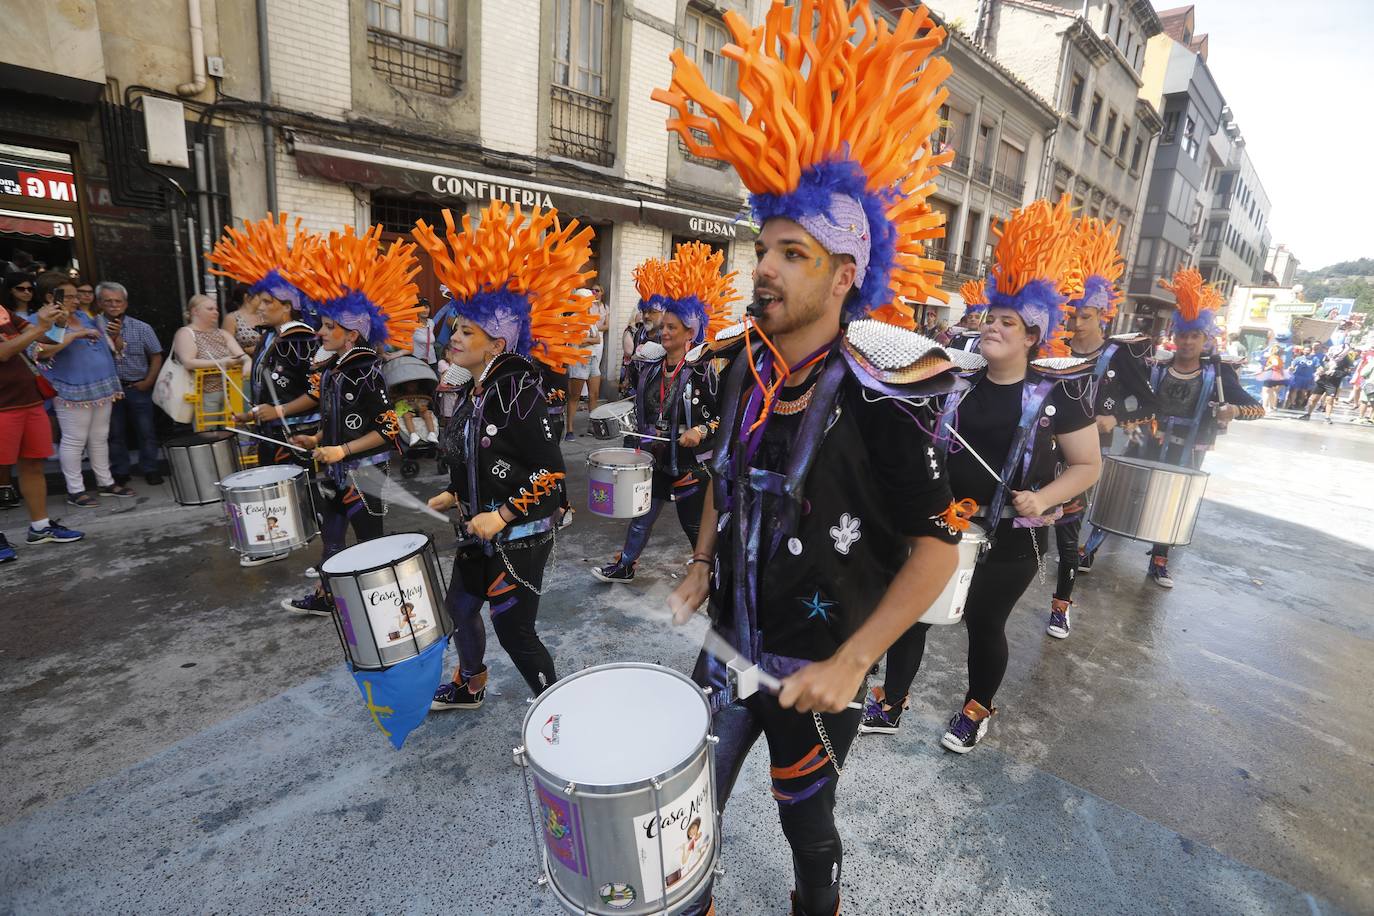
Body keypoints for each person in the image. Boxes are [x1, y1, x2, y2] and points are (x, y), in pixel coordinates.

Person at [654, 6, 967, 911]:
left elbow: (938, 547)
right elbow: (722, 478)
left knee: (805, 825)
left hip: (813, 673)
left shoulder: (883, 391)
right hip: (724, 649)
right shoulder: (738, 366)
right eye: (762, 248)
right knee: (686, 803)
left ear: (843, 276)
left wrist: (854, 663)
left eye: (793, 253)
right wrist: (703, 562)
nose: (765, 268)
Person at [862, 196, 1102, 748]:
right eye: (991, 318)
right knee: (915, 612)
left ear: (1033, 335)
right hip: (943, 525)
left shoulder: (1057, 393)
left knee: (984, 625)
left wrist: (1043, 500)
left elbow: (1088, 465)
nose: (992, 326)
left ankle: (977, 707)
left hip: (1011, 541)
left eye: (1006, 322)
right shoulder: (956, 377)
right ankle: (892, 700)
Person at [411, 201, 598, 710]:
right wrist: (456, 492)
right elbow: (476, 455)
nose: (453, 338)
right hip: (479, 530)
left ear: (497, 341)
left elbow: (549, 474)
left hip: (519, 536)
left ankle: (558, 717)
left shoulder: (520, 391)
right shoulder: (473, 389)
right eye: (455, 329)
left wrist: (502, 514)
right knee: (458, 608)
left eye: (466, 332)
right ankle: (471, 683)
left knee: (514, 630)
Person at [1082, 268, 1263, 587]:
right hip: (1145, 443)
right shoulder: (1155, 366)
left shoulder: (1219, 375)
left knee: (1173, 505)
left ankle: (1159, 559)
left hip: (1187, 449)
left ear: (1205, 339)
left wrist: (1232, 410)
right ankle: (1091, 548)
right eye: (1183, 335)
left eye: (1195, 336)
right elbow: (1124, 397)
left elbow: (1256, 408)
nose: (1188, 341)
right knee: (1122, 492)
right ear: (1175, 336)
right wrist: (1117, 417)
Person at [273, 225, 417, 615]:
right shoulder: (337, 368)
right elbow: (340, 419)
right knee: (332, 537)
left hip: (364, 474)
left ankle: (386, 607)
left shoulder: (366, 370)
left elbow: (389, 430)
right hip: (335, 470)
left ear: (351, 334)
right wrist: (316, 437)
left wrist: (343, 449)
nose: (320, 332)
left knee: (372, 543)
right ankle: (327, 597)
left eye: (328, 327)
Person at [592, 242, 737, 583]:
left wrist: (701, 432)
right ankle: (625, 565)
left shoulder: (705, 371)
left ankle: (712, 573)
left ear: (691, 332)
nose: (665, 332)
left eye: (673, 328)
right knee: (641, 517)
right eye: (664, 326)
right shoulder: (651, 367)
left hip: (688, 464)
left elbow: (722, 418)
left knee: (692, 524)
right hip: (653, 459)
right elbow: (638, 404)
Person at [1044, 215, 1155, 638]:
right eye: (1072, 314)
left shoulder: (1120, 354)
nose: (1075, 323)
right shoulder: (1053, 347)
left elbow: (1151, 402)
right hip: (1044, 448)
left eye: (1084, 316)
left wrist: (1117, 418)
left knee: (1069, 532)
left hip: (1086, 456)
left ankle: (1061, 605)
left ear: (1102, 316)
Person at [32, 271, 134, 506]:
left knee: (99, 436)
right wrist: (75, 334)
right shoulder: (38, 321)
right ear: (51, 297)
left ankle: (105, 482)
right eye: (69, 296)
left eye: (76, 296)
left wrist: (114, 335)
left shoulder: (84, 315)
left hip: (102, 385)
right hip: (71, 389)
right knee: (74, 439)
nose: (76, 301)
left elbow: (113, 348)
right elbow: (42, 353)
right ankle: (75, 490)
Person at [0, 295, 85, 561]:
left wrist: (55, 325)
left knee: (34, 465)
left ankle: (40, 527)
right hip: (3, 407)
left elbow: (42, 342)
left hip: (29, 400)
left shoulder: (3, 310)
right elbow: (4, 352)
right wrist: (40, 326)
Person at [97, 281, 165, 485]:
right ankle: (120, 471)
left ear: (125, 304)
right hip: (108, 390)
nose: (113, 305)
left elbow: (156, 355)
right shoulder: (91, 327)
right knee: (114, 433)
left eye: (118, 301)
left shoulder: (142, 328)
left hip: (138, 387)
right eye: (108, 301)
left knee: (146, 431)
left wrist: (149, 381)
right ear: (100, 303)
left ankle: (151, 468)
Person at [171, 294, 248, 423]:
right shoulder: (185, 333)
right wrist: (222, 363)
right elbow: (188, 362)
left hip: (232, 391)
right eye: (210, 309)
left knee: (238, 431)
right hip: (204, 393)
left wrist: (247, 362)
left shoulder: (222, 334)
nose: (216, 312)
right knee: (209, 434)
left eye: (216, 309)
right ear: (195, 311)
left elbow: (242, 356)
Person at [564, 285, 607, 439]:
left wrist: (587, 340)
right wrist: (589, 340)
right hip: (578, 360)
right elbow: (576, 341)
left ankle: (592, 426)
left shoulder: (589, 319)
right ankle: (569, 429)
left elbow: (595, 338)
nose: (591, 305)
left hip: (593, 359)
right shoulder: (573, 318)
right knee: (574, 396)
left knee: (594, 395)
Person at [620, 263, 667, 394]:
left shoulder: (667, 336)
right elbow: (633, 361)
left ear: (663, 313)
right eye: (644, 311)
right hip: (638, 393)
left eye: (652, 312)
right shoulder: (639, 333)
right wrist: (628, 379)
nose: (646, 316)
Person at [1302, 341, 1357, 424]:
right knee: (1314, 398)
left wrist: (1335, 372)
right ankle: (1308, 414)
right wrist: (1319, 370)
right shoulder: (1327, 356)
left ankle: (1327, 417)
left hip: (1333, 383)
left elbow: (1347, 372)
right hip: (1322, 380)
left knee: (1330, 399)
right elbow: (1320, 365)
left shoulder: (1346, 359)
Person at [221, 282, 265, 357]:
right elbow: (225, 347)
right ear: (247, 297)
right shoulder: (232, 318)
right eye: (258, 295)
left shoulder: (264, 316)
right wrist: (246, 350)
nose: (261, 298)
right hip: (244, 364)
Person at [394, 379, 439, 445]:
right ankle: (413, 435)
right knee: (406, 415)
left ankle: (432, 433)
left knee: (427, 413)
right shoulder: (400, 394)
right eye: (409, 384)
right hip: (407, 412)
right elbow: (398, 407)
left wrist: (418, 406)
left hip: (420, 411)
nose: (412, 385)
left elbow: (424, 407)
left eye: (414, 384)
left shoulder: (421, 394)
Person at [1285, 346, 1319, 410]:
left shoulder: (1315, 359)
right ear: (1303, 351)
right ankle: (1292, 404)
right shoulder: (1298, 358)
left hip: (1307, 378)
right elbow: (1292, 366)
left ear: (1311, 351)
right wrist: (1291, 368)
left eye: (1308, 350)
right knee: (1294, 390)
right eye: (1305, 350)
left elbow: (1318, 366)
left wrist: (1318, 372)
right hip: (1297, 377)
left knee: (1304, 393)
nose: (1307, 352)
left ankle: (1300, 404)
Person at [1258, 343, 1287, 414]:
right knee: (1271, 392)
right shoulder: (1280, 358)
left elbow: (1275, 364)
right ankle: (1271, 407)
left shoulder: (1273, 357)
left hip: (1271, 374)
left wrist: (1266, 367)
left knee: (1266, 391)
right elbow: (1281, 368)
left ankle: (1265, 407)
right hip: (1277, 375)